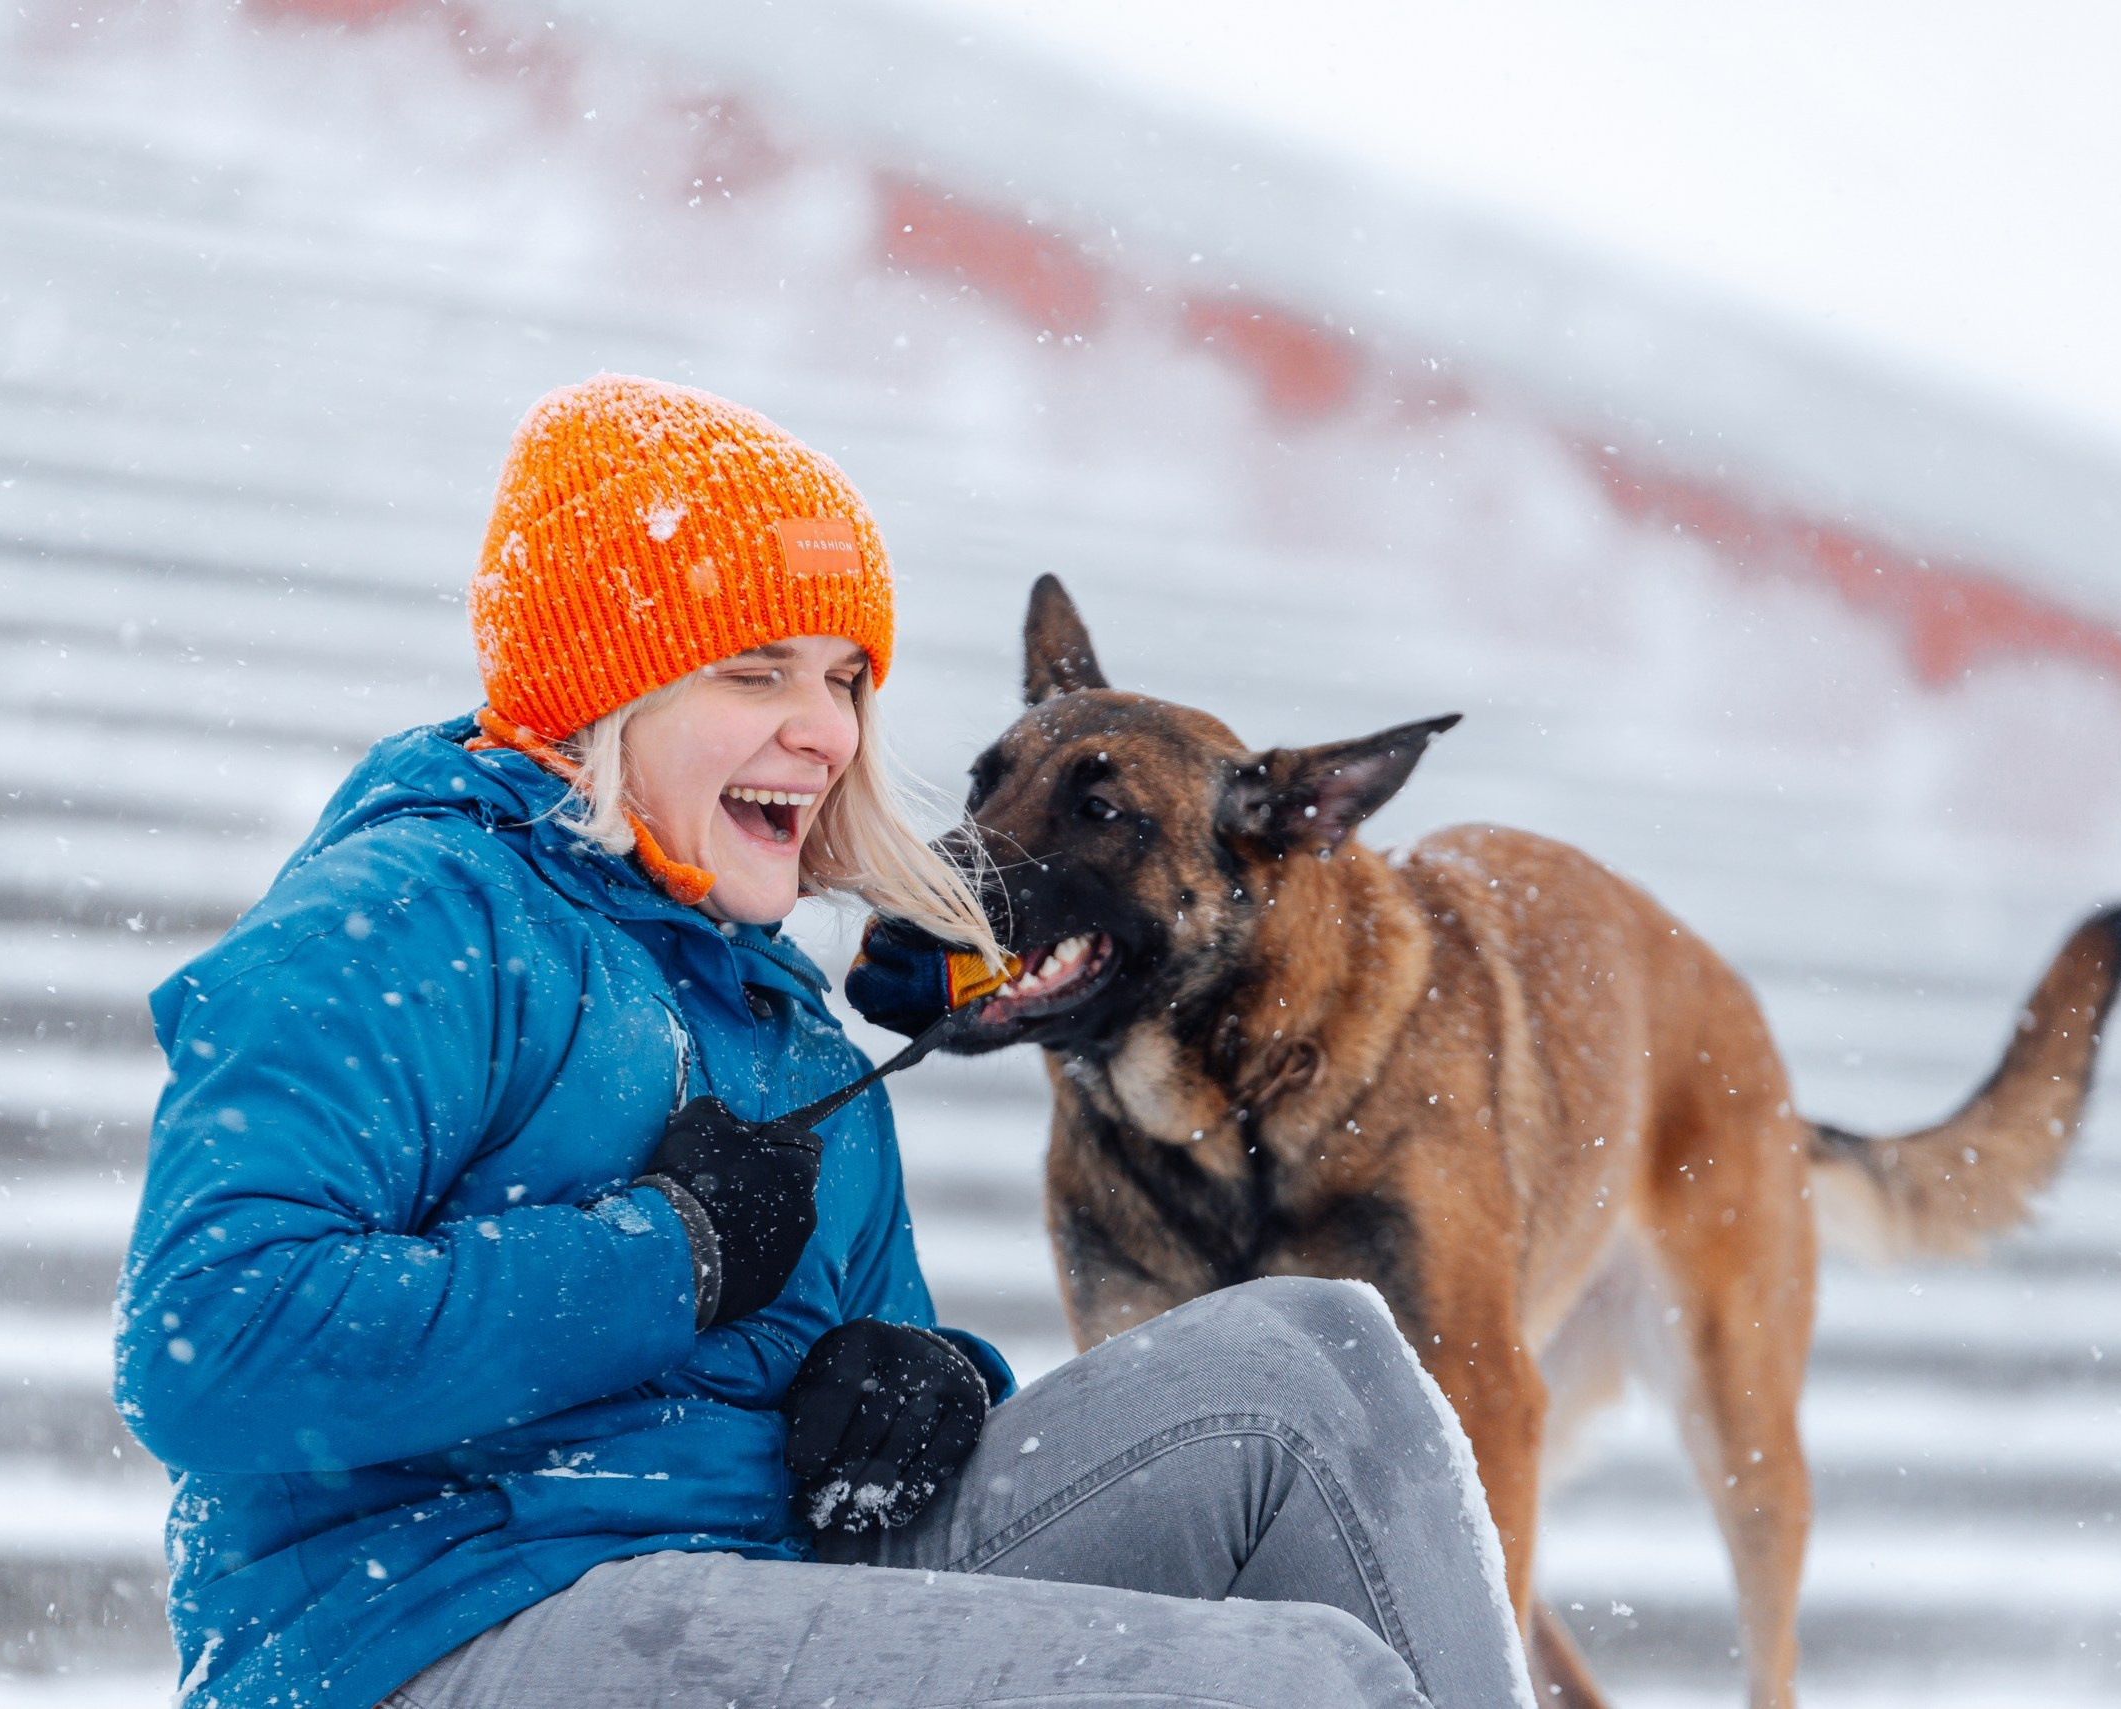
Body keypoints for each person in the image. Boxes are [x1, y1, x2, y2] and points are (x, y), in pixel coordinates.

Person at [114, 375, 1537, 1709]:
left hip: (748, 1571)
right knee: (1286, 1686)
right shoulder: (412, 918)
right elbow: (207, 1346)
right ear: (607, 690)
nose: (826, 732)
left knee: (1310, 1359)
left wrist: (922, 1380)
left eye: (847, 679)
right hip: (440, 1626)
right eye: (756, 673)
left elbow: (876, 1361)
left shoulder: (780, 1021)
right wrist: (665, 1256)